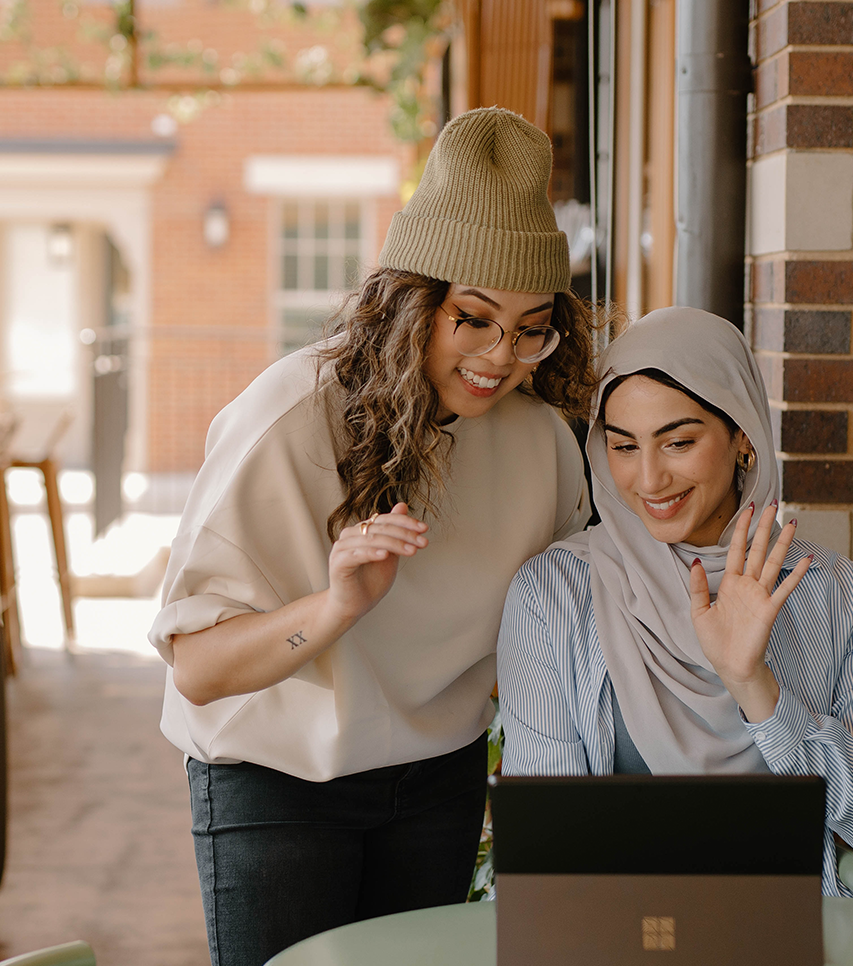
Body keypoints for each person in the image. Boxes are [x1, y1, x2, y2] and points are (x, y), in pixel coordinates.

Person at [149, 107, 596, 966]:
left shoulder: (540, 442)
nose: (501, 357)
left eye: (531, 326)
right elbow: (198, 669)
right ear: (410, 301)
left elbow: (548, 635)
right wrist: (336, 608)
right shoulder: (288, 419)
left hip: (439, 781)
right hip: (276, 783)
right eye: (473, 317)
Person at [497, 306, 853, 893]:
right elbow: (544, 846)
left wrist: (754, 686)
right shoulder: (556, 594)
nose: (648, 479)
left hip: (781, 936)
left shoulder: (830, 592)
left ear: (742, 433)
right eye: (623, 447)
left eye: (679, 442)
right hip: (608, 935)